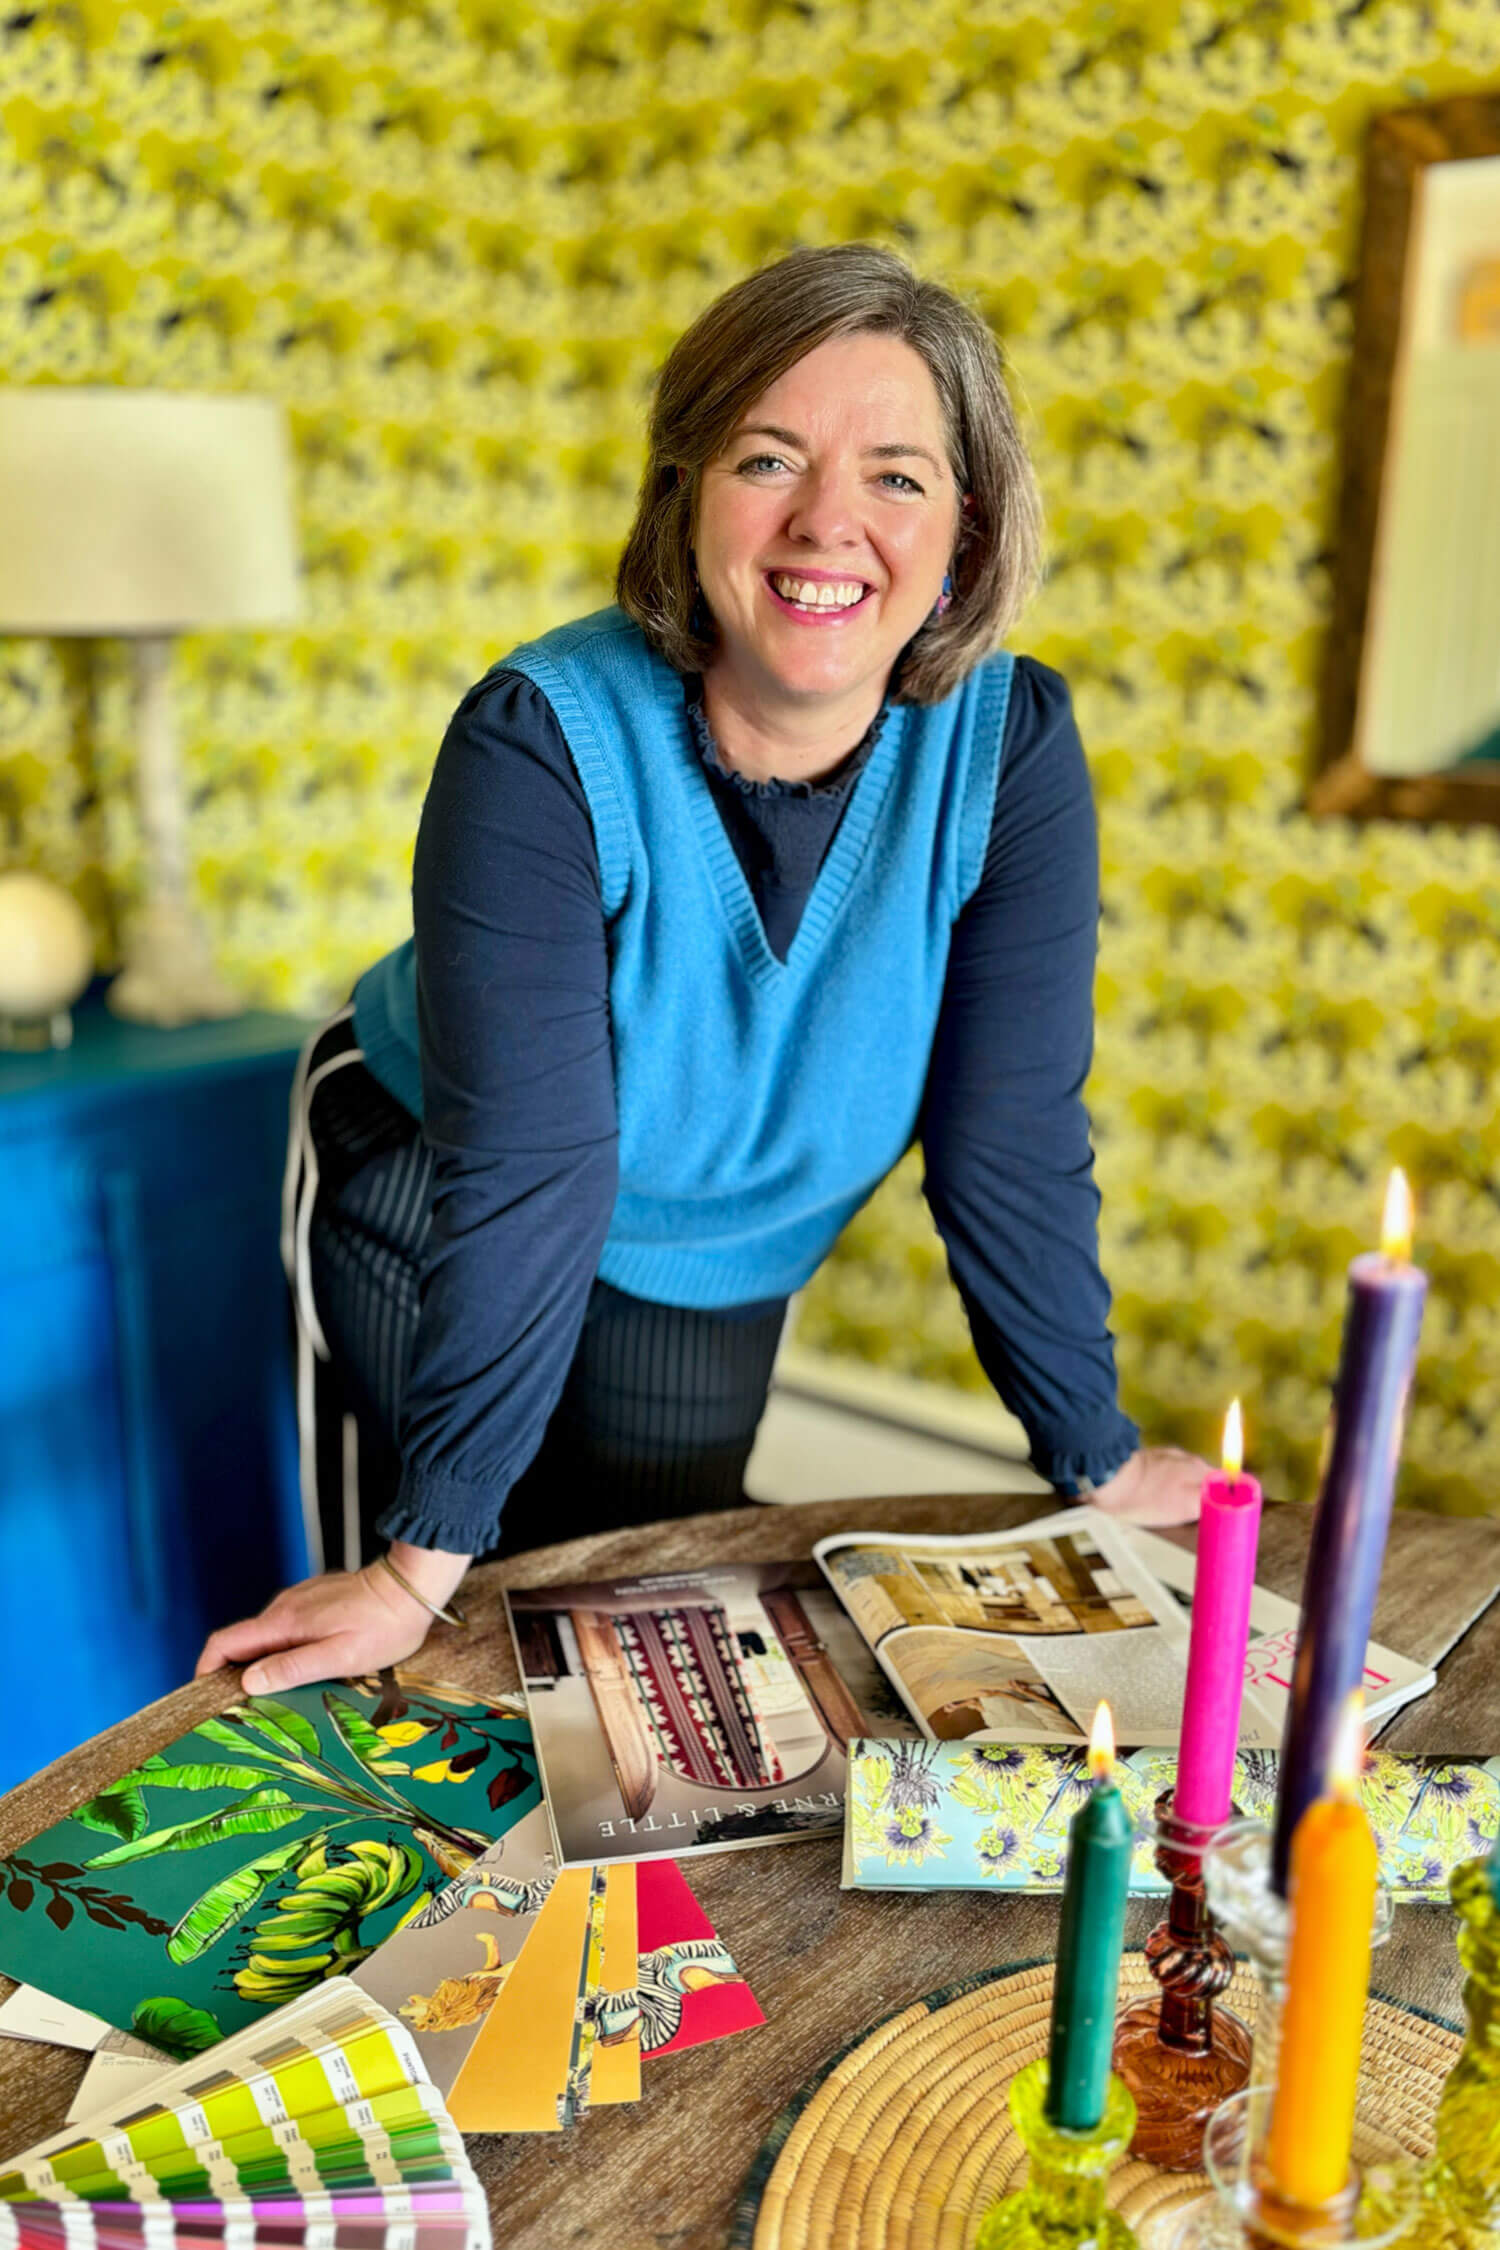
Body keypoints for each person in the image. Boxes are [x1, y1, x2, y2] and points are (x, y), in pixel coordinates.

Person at [197, 243, 1209, 1700]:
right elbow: (534, 1161)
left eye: (899, 477)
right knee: (436, 1621)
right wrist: (416, 1563)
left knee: (638, 1617)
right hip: (433, 1177)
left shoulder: (1012, 750)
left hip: (717, 1236)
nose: (828, 524)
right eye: (768, 458)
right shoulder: (536, 736)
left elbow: (1008, 1135)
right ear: (686, 494)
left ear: (965, 533)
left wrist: (1093, 1449)